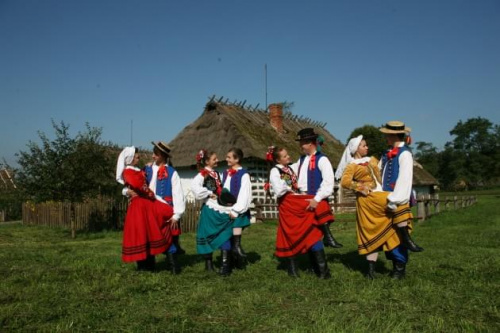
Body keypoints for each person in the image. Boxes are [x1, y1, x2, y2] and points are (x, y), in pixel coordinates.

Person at [336, 136, 403, 279]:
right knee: (370, 233)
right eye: (363, 146)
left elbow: (383, 173)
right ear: (356, 149)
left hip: (381, 195)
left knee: (393, 226)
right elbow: (345, 182)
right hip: (367, 201)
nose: (367, 147)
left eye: (366, 145)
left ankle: (399, 262)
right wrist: (362, 187)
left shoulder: (373, 160)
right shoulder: (352, 165)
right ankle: (371, 271)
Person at [269, 146, 333, 278]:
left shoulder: (291, 168)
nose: (288, 157)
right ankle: (293, 270)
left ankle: (323, 269)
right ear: (278, 160)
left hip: (295, 202)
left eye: (287, 155)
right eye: (285, 156)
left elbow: (303, 166)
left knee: (313, 224)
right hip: (288, 204)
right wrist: (290, 188)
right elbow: (279, 189)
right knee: (289, 234)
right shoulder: (275, 171)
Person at [379, 121, 423, 279]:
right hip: (385, 197)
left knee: (399, 234)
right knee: (388, 233)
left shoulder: (405, 154)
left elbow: (405, 179)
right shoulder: (386, 153)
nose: (384, 137)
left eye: (386, 134)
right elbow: (380, 174)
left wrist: (395, 199)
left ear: (393, 135)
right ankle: (393, 263)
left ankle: (400, 268)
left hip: (398, 198)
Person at [116, 146, 171, 271]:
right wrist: (148, 193)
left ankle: (150, 263)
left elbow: (143, 179)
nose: (138, 157)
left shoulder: (137, 169)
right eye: (136, 156)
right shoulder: (128, 171)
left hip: (145, 204)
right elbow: (138, 185)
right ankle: (142, 266)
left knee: (150, 231)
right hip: (138, 207)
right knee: (141, 233)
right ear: (130, 159)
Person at [293, 128, 342, 249]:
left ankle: (326, 239)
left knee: (314, 231)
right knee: (307, 232)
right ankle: (324, 241)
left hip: (315, 200)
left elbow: (328, 183)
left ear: (310, 143)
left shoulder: (323, 160)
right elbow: (290, 172)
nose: (300, 146)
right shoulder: (301, 159)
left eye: (302, 143)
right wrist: (277, 167)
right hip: (302, 199)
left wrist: (317, 198)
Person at [144, 141, 186, 274]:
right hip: (150, 209)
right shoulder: (148, 169)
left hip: (166, 211)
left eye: (155, 154)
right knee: (149, 237)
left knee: (167, 237)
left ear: (162, 155)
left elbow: (178, 194)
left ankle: (174, 266)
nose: (153, 156)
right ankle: (150, 266)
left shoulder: (172, 173)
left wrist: (177, 214)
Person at [192, 149, 234, 276]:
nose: (217, 160)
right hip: (210, 209)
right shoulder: (201, 175)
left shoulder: (217, 174)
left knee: (225, 232)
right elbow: (195, 190)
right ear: (206, 161)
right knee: (207, 235)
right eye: (214, 159)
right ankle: (209, 265)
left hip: (221, 208)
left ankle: (225, 263)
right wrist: (209, 193)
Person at [221, 148, 252, 264]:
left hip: (237, 209)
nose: (226, 159)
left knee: (235, 231)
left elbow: (244, 194)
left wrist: (236, 210)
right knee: (225, 235)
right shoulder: (225, 173)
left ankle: (237, 249)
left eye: (229, 157)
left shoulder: (244, 174)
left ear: (237, 159)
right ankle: (232, 260)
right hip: (225, 208)